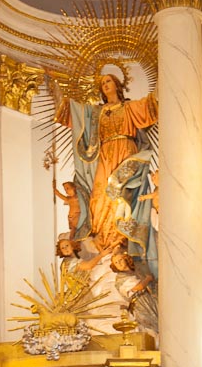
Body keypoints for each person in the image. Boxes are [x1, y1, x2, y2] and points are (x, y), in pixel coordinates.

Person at [54, 70, 158, 258]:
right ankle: (104, 239)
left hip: (125, 151)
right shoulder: (96, 113)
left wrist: (163, 84)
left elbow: (150, 106)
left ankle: (121, 240)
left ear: (117, 84)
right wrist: (60, 93)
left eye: (109, 81)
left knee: (121, 194)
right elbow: (78, 116)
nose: (106, 85)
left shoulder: (128, 107)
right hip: (105, 155)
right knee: (99, 197)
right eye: (102, 83)